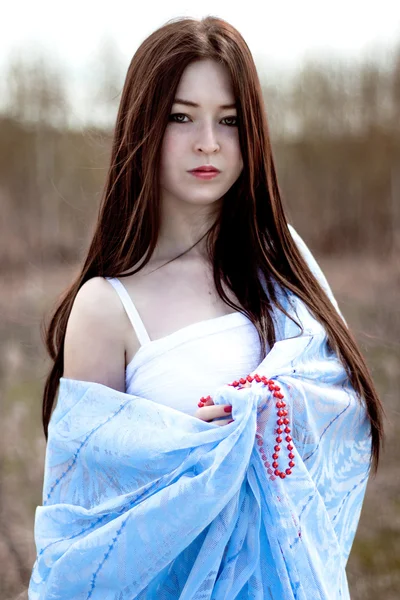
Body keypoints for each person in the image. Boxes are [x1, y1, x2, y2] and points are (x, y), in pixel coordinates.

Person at [30, 15, 384, 600]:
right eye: (181, 117)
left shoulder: (287, 266)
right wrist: (187, 457)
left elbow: (343, 421)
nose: (208, 144)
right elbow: (83, 537)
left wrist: (265, 412)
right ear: (142, 125)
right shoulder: (105, 308)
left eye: (229, 121)